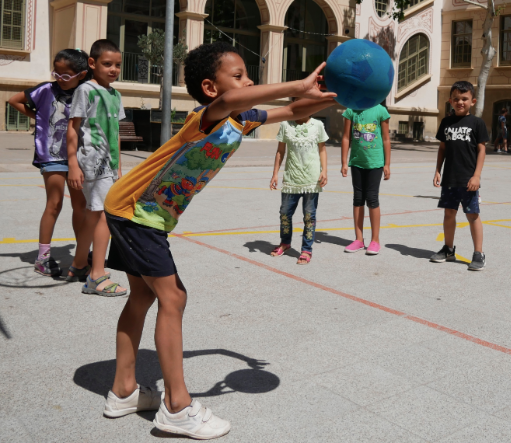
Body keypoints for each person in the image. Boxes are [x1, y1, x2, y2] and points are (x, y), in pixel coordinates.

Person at [101, 41, 336, 439]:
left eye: (248, 75)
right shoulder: (206, 117)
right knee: (173, 298)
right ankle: (177, 407)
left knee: (142, 297)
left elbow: (293, 111)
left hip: (139, 210)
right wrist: (296, 82)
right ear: (211, 88)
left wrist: (330, 97)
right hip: (136, 210)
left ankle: (123, 391)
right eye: (239, 75)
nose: (249, 81)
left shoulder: (241, 119)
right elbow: (238, 100)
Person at [7, 49, 90, 277]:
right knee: (54, 204)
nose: (59, 79)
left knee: (80, 206)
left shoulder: (86, 93)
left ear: (81, 74)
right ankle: (42, 258)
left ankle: (82, 253)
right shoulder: (45, 89)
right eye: (57, 73)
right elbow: (13, 100)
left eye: (66, 75)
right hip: (52, 155)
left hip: (79, 157)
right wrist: (40, 117)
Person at [65, 39, 127, 296]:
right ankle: (96, 276)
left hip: (109, 165)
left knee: (94, 214)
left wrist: (120, 166)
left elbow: (116, 133)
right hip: (92, 161)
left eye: (117, 65)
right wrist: (72, 164)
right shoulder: (85, 90)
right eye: (107, 64)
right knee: (104, 215)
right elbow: (73, 128)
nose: (113, 69)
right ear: (92, 63)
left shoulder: (115, 94)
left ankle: (80, 264)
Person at [430, 81, 487, 271]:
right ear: (450, 101)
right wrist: (438, 170)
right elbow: (442, 148)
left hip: (469, 179)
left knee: (472, 215)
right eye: (456, 99)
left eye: (464, 99)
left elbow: (481, 150)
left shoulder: (477, 123)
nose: (460, 102)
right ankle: (448, 249)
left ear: (473, 101)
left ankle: (478, 253)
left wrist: (477, 175)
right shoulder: (446, 122)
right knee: (449, 213)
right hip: (450, 178)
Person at [269, 97, 329, 264]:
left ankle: (306, 250)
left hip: (312, 179)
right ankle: (285, 243)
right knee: (285, 214)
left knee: (309, 216)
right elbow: (280, 151)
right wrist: (275, 174)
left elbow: (322, 150)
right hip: (291, 179)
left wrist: (325, 171)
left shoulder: (317, 125)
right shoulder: (285, 125)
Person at [340, 103, 391, 255]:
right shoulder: (351, 110)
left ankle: (375, 240)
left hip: (375, 163)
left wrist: (387, 164)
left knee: (372, 198)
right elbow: (346, 137)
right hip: (357, 162)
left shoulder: (381, 110)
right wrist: (344, 162)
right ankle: (359, 239)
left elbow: (386, 139)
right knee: (358, 198)